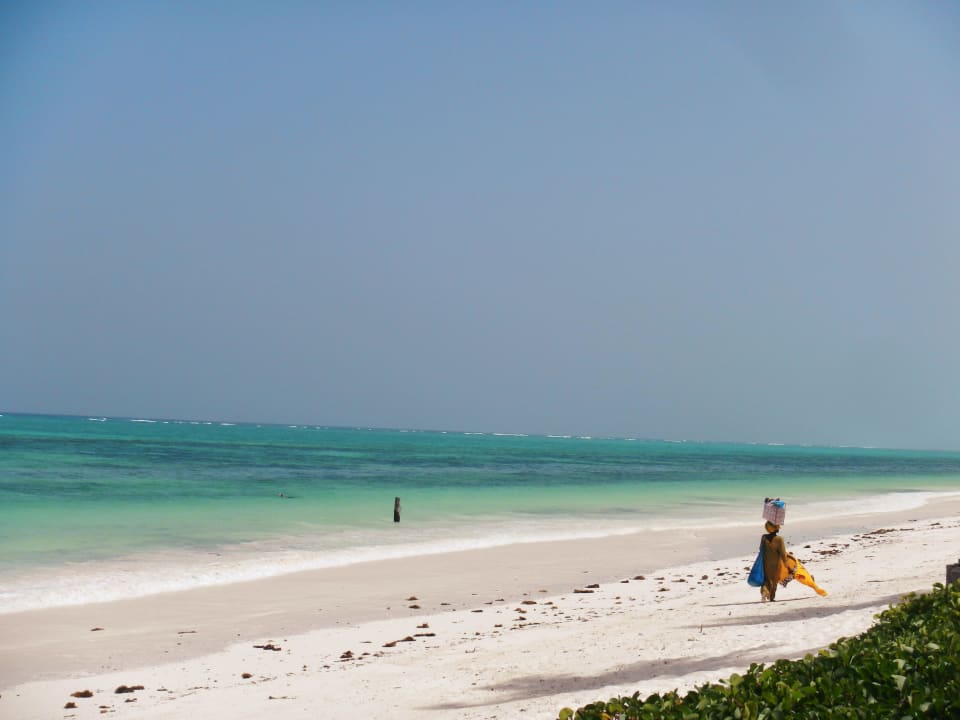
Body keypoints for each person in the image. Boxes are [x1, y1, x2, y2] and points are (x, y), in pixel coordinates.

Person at [760, 520, 789, 601]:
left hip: (765, 562)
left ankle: (764, 590)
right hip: (776, 563)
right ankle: (771, 597)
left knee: (766, 579)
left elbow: (761, 549)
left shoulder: (764, 537)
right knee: (774, 580)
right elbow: (783, 553)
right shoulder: (779, 539)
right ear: (776, 528)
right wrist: (786, 563)